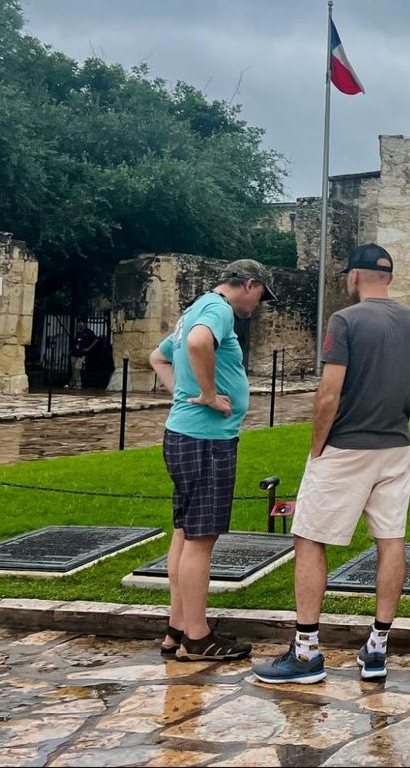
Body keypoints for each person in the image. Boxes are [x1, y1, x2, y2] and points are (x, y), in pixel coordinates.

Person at [252, 244, 410, 686]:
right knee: (390, 540)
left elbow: (328, 394)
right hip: (396, 446)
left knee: (308, 537)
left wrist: (316, 447)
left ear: (354, 277)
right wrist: (402, 387)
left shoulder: (345, 320)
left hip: (346, 446)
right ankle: (377, 648)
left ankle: (306, 652)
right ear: (389, 278)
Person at [148, 259, 275, 661]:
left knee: (185, 533)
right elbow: (199, 345)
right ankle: (198, 639)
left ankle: (177, 628)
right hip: (207, 440)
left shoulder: (195, 308)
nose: (259, 304)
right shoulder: (218, 310)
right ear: (249, 284)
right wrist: (204, 394)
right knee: (201, 540)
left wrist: (183, 393)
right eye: (260, 295)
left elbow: (159, 357)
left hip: (183, 434)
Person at [68, 318, 98, 390]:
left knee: (77, 367)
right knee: (73, 368)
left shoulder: (88, 332)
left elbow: (96, 339)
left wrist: (88, 348)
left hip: (82, 353)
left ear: (85, 323)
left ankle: (78, 383)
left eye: (81, 322)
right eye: (79, 322)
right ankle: (72, 383)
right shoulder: (78, 332)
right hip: (75, 352)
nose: (80, 324)